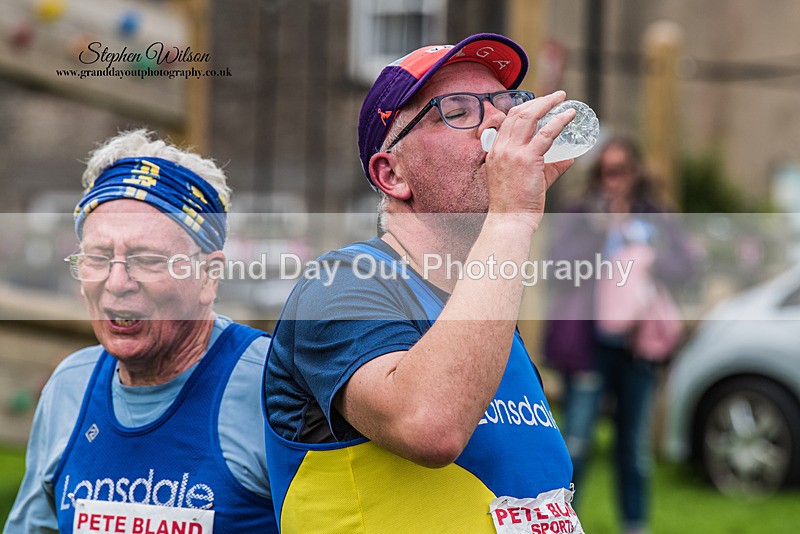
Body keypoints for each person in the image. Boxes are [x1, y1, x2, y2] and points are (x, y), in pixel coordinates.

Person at [263, 33, 583, 532]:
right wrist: (512, 218)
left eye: (506, 102)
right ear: (392, 175)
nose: (499, 121)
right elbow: (429, 424)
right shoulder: (340, 285)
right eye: (457, 109)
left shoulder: (487, 315)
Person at [4, 130, 277, 533]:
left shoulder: (270, 384)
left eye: (146, 259)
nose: (117, 282)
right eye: (97, 257)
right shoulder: (70, 387)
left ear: (208, 276)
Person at [544, 137, 696, 534]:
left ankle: (635, 525)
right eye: (607, 172)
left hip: (638, 348)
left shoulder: (655, 214)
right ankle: (560, 521)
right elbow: (558, 268)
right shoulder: (581, 213)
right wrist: (600, 233)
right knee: (577, 441)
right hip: (589, 347)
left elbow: (686, 265)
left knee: (633, 446)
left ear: (636, 171)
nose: (615, 180)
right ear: (598, 175)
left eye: (622, 170)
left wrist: (648, 253)